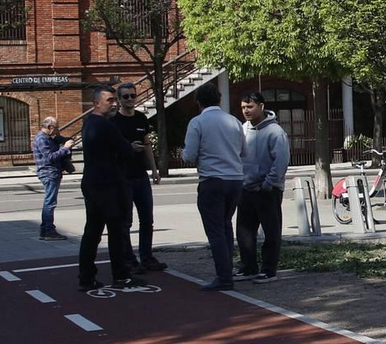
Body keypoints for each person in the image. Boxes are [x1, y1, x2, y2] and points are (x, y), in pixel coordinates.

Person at [181, 91, 247, 291]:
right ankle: (228, 270)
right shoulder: (234, 121)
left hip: (212, 179)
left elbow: (189, 155)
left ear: (198, 102)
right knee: (226, 226)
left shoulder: (197, 122)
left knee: (216, 230)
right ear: (219, 99)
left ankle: (224, 276)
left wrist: (185, 152)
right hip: (235, 179)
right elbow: (245, 152)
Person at [76, 86, 141, 291]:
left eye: (114, 100)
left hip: (92, 182)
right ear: (97, 103)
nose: (114, 104)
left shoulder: (88, 124)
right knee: (117, 230)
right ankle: (121, 274)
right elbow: (124, 150)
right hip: (109, 185)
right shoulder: (105, 125)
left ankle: (86, 277)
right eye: (109, 100)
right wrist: (131, 147)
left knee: (92, 231)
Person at [112, 83, 167, 272]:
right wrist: (127, 147)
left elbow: (147, 145)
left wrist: (154, 169)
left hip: (140, 176)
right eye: (125, 96)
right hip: (123, 177)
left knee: (147, 220)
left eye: (132, 96)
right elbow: (110, 149)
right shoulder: (114, 121)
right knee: (126, 221)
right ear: (118, 100)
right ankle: (129, 259)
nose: (130, 99)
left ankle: (147, 257)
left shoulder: (141, 118)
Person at [237, 91, 290, 282]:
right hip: (246, 188)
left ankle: (269, 270)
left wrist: (268, 184)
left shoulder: (275, 132)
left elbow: (281, 162)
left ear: (261, 106)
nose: (246, 111)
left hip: (267, 190)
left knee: (271, 231)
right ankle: (248, 267)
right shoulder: (243, 129)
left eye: (250, 106)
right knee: (244, 231)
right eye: (243, 107)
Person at [31, 115, 74, 239]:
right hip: (49, 173)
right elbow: (50, 157)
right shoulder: (41, 139)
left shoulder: (48, 138)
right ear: (50, 127)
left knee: (49, 202)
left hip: (52, 172)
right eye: (56, 128)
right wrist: (65, 148)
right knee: (50, 202)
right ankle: (49, 230)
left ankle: (45, 230)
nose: (57, 130)